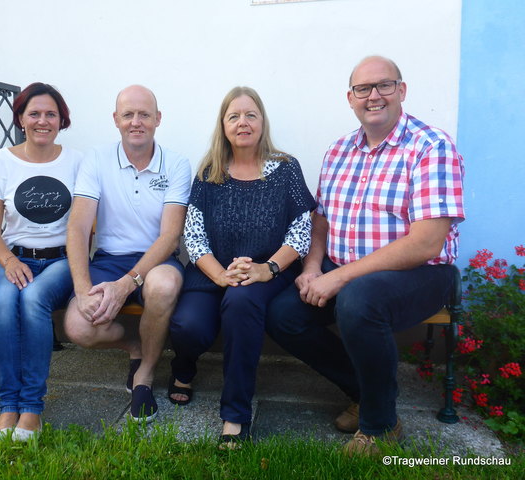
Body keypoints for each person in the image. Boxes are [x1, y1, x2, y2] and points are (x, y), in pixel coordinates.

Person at [266, 56, 465, 455]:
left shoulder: (431, 146)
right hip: (344, 266)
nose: (373, 96)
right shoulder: (339, 150)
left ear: (402, 91)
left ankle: (379, 427)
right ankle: (368, 394)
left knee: (358, 300)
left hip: (420, 272)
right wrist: (311, 267)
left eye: (384, 85)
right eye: (363, 89)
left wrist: (339, 277)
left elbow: (426, 242)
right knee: (282, 314)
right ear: (350, 98)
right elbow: (320, 219)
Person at [168, 86, 316, 448]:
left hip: (266, 272)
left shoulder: (285, 168)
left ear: (262, 122)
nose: (243, 122)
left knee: (242, 302)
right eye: (234, 116)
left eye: (251, 114)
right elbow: (193, 233)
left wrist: (267, 269)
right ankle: (184, 367)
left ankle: (234, 415)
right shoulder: (209, 172)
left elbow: (302, 229)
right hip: (212, 270)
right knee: (188, 327)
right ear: (223, 125)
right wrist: (220, 274)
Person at [64, 85, 191, 422]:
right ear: (116, 120)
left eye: (145, 114)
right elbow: (77, 228)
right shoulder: (96, 159)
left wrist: (125, 284)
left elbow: (170, 235)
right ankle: (136, 345)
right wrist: (81, 291)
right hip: (108, 258)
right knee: (77, 326)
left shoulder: (177, 165)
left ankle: (145, 375)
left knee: (162, 286)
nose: (137, 122)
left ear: (158, 119)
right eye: (128, 114)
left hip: (158, 259)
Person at [0, 82, 82, 442]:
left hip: (61, 261)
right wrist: (8, 260)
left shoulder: (76, 162)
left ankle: (32, 410)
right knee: (5, 302)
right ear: (21, 119)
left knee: (34, 299)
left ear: (61, 120)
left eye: (50, 114)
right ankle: (9, 407)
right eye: (34, 113)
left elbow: (86, 225)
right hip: (14, 258)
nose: (43, 120)